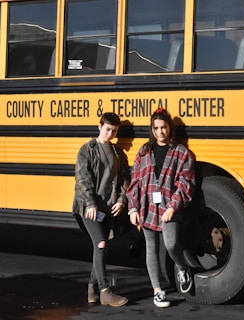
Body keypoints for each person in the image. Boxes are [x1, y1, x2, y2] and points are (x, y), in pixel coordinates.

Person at [126, 108, 196, 308]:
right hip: (147, 208)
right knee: (151, 248)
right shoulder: (144, 152)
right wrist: (133, 209)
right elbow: (135, 182)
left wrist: (173, 207)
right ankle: (157, 291)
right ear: (152, 129)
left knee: (171, 244)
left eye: (163, 127)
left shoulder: (182, 153)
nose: (160, 132)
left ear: (169, 128)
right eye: (156, 128)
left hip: (169, 208)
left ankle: (182, 268)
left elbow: (186, 183)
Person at [72, 112, 130, 307]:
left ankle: (92, 289)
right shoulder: (87, 149)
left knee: (101, 249)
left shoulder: (118, 153)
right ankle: (105, 291)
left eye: (114, 131)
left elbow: (124, 180)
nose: (110, 134)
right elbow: (82, 178)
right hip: (90, 207)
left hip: (108, 208)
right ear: (99, 127)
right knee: (101, 244)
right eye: (107, 129)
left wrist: (121, 200)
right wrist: (90, 203)